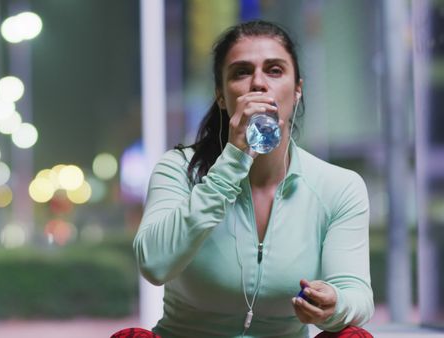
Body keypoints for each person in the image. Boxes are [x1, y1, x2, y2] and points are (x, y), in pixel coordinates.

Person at [132, 20, 374, 337]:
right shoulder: (178, 169)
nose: (258, 83)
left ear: (297, 89)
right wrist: (234, 158)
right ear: (221, 96)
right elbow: (154, 264)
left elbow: (357, 294)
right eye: (241, 72)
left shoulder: (338, 186)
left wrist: (335, 304)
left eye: (274, 70)